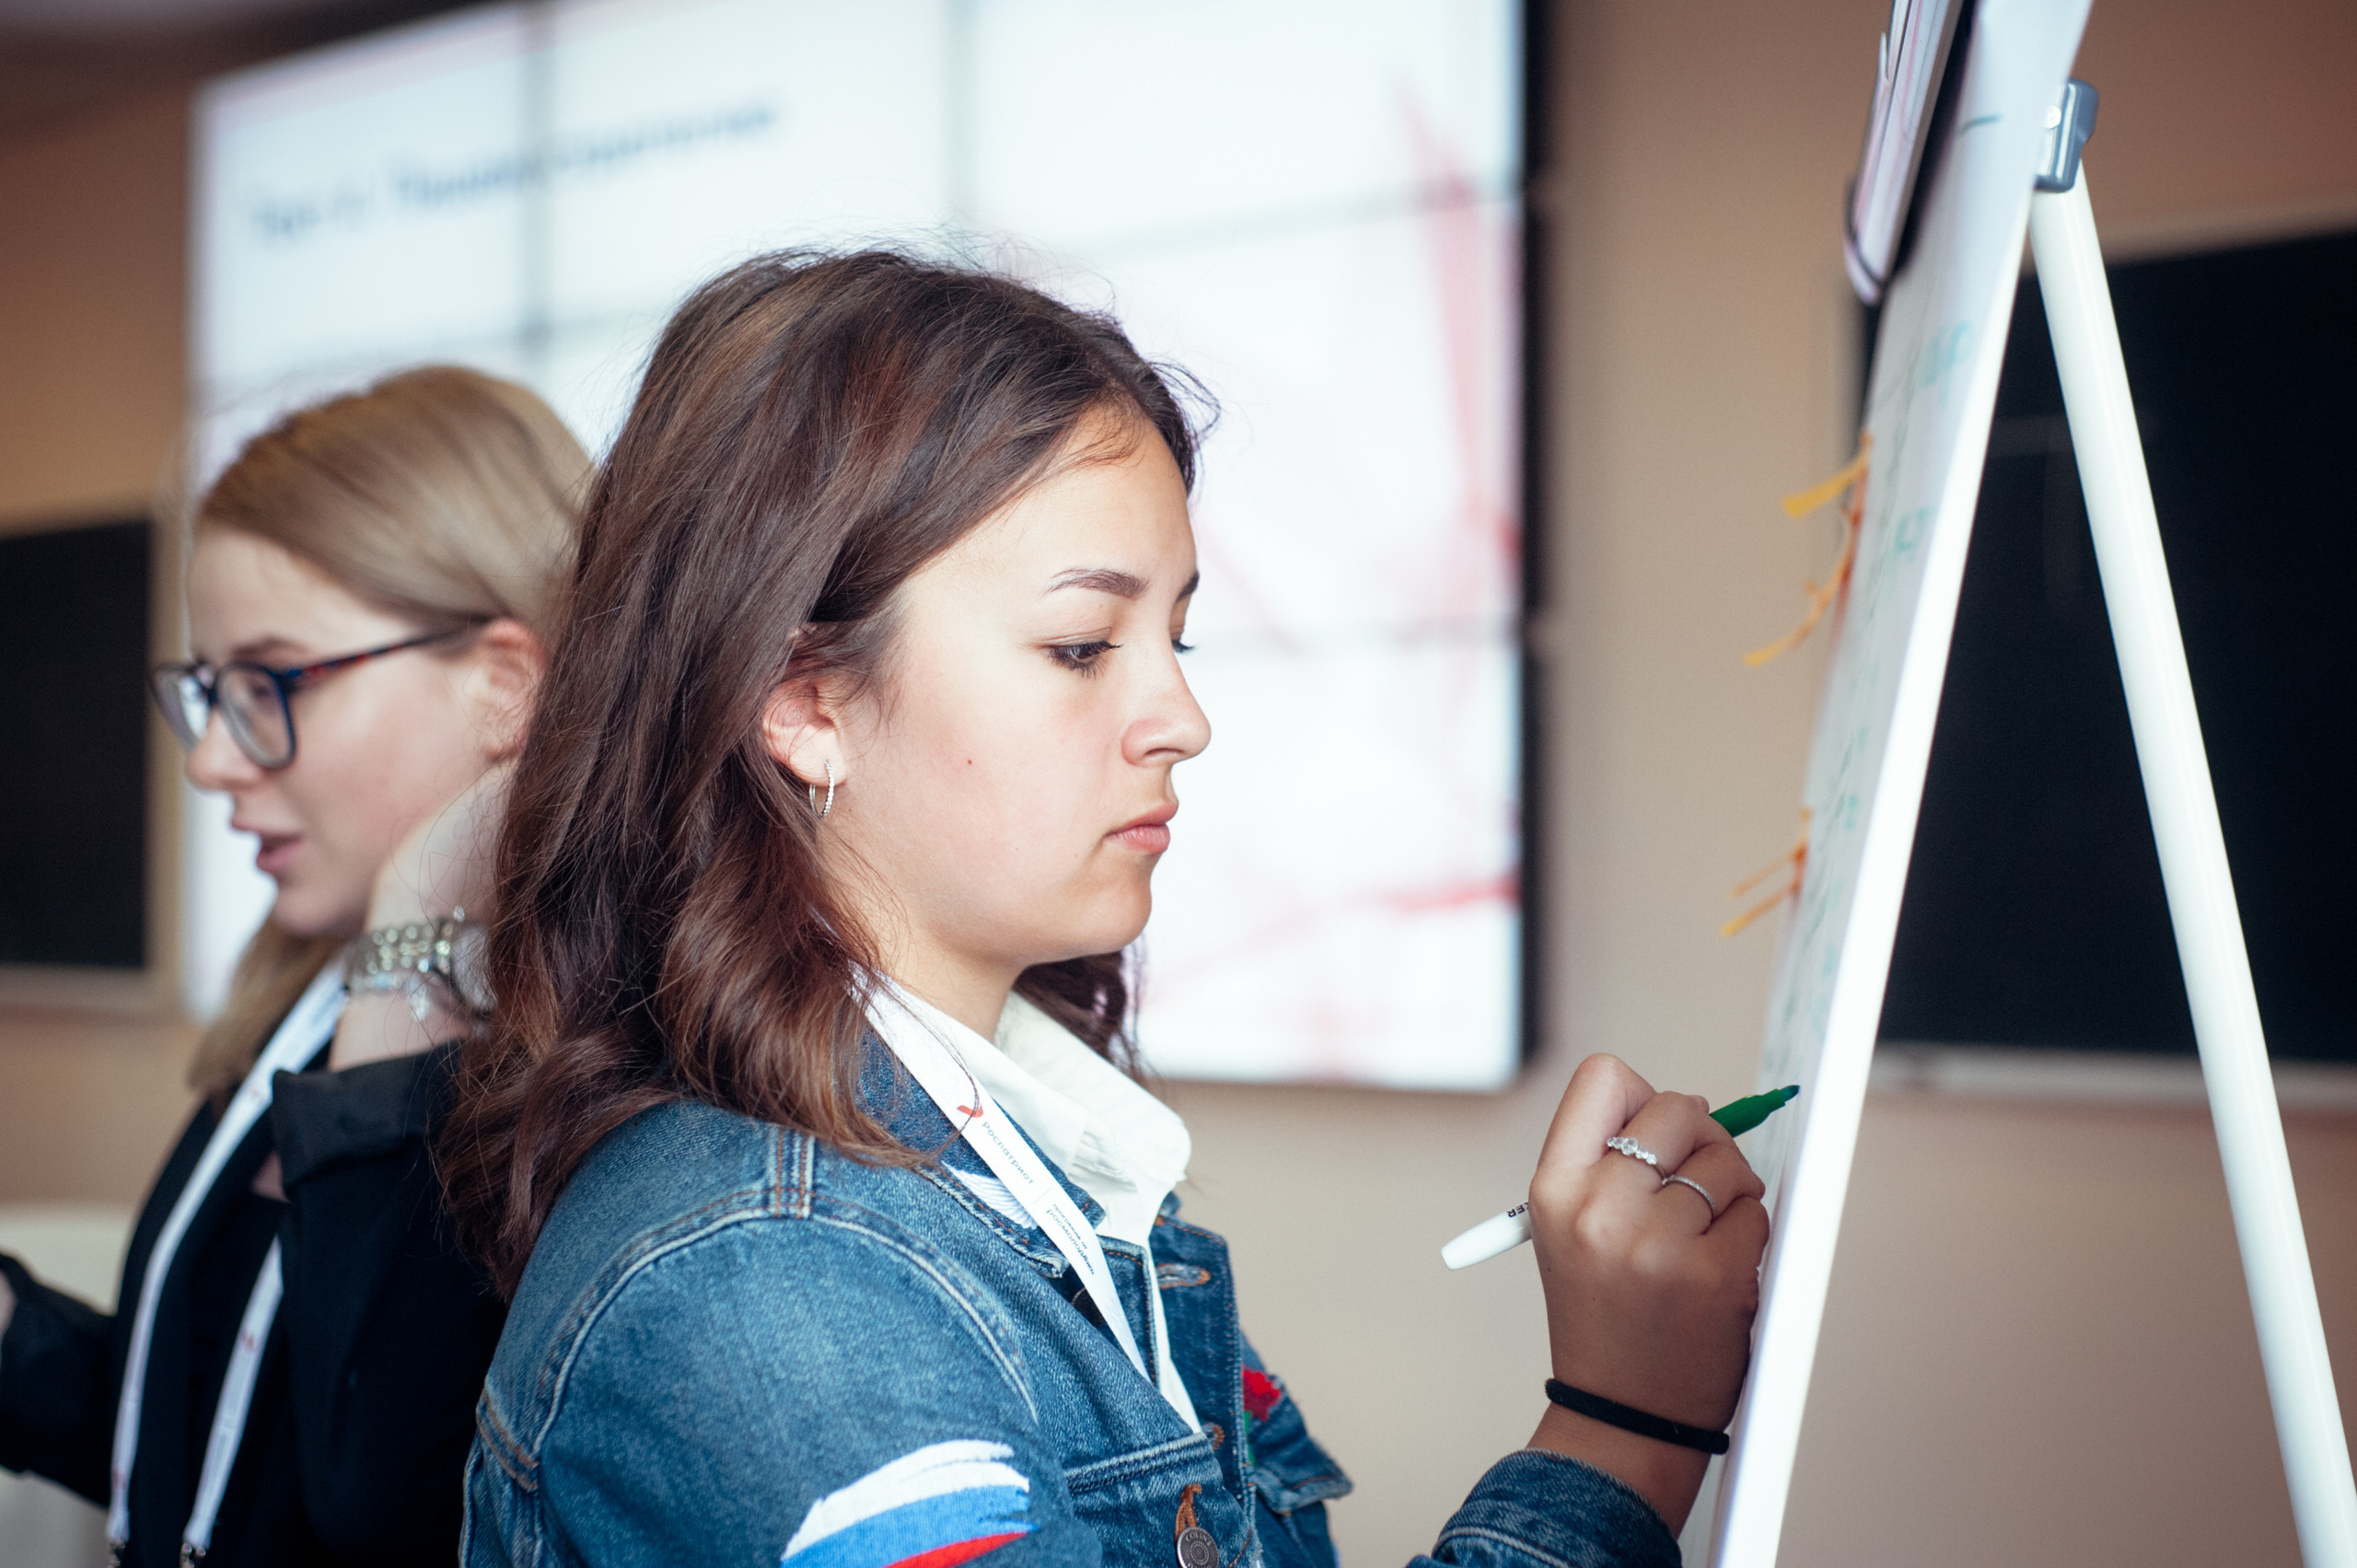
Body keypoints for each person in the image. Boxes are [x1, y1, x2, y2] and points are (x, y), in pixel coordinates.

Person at [440, 252, 1770, 1568]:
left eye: (1174, 640)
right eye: (1083, 646)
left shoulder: (1019, 1170)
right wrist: (1619, 1430)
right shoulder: (764, 1285)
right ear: (802, 699)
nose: (1183, 719)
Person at [0, 367, 590, 1568]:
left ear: (507, 687)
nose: (212, 760)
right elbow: (217, 1442)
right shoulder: (304, 996)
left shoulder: (593, 1071)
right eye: (210, 692)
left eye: (270, 684)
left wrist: (418, 934)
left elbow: (382, 1501)